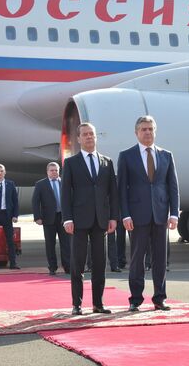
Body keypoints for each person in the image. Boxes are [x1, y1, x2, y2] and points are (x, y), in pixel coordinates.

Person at [118, 115, 179, 312]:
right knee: (137, 258)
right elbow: (122, 189)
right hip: (137, 216)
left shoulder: (166, 155)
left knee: (160, 258)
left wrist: (174, 214)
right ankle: (135, 298)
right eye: (143, 129)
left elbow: (173, 187)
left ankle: (160, 298)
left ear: (155, 131)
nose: (147, 132)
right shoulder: (127, 156)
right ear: (136, 132)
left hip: (161, 215)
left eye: (151, 129)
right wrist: (125, 215)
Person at [62, 123, 119, 315]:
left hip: (101, 220)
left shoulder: (107, 162)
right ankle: (76, 305)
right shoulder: (71, 163)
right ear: (78, 139)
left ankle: (98, 304)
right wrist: (67, 218)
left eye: (92, 134)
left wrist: (113, 217)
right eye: (85, 135)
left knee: (100, 263)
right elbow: (65, 193)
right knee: (77, 263)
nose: (89, 137)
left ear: (96, 137)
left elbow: (113, 192)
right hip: (78, 220)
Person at [32, 162, 71, 275]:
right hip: (48, 218)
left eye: (56, 170)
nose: (54, 172)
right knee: (50, 244)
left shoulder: (65, 182)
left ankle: (67, 266)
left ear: (59, 171)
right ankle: (52, 267)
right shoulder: (41, 184)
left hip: (63, 218)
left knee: (66, 243)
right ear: (47, 171)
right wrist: (37, 217)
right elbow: (35, 202)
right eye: (52, 170)